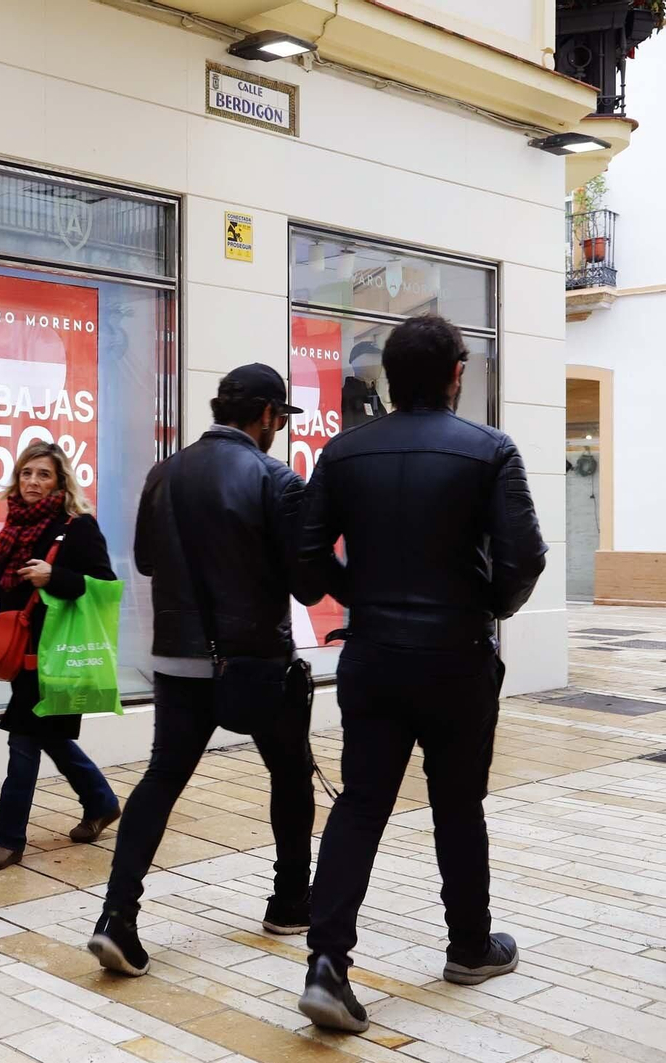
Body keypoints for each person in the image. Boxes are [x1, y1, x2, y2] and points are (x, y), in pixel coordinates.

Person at [295, 316, 546, 1033]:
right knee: (457, 803)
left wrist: (361, 595)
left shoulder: (343, 453)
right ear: (456, 374)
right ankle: (469, 945)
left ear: (387, 378)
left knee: (361, 801)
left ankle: (326, 962)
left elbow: (306, 562)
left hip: (372, 654)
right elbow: (524, 557)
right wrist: (485, 603)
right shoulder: (490, 449)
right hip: (457, 655)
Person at [90, 364, 316, 979]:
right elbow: (306, 579)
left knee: (162, 778)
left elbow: (142, 557)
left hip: (177, 658)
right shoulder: (277, 479)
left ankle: (117, 916)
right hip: (257, 659)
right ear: (268, 414)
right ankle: (290, 901)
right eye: (279, 419)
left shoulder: (163, 473)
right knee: (291, 774)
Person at [0, 442, 121, 872]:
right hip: (24, 656)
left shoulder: (78, 527)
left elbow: (106, 587)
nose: (33, 482)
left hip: (56, 656)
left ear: (60, 481)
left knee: (24, 740)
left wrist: (57, 576)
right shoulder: (13, 530)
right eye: (27, 473)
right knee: (48, 736)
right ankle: (101, 802)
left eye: (44, 475)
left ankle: (7, 838)